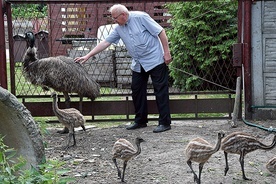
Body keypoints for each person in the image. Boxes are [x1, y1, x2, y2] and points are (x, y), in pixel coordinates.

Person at [75, 4, 172, 133]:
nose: (114, 21)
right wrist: (88, 55)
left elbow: (161, 32)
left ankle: (165, 122)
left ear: (124, 15)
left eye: (115, 18)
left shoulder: (141, 17)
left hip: (155, 59)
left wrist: (167, 52)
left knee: (160, 90)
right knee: (136, 90)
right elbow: (105, 42)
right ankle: (141, 120)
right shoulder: (119, 28)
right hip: (138, 63)